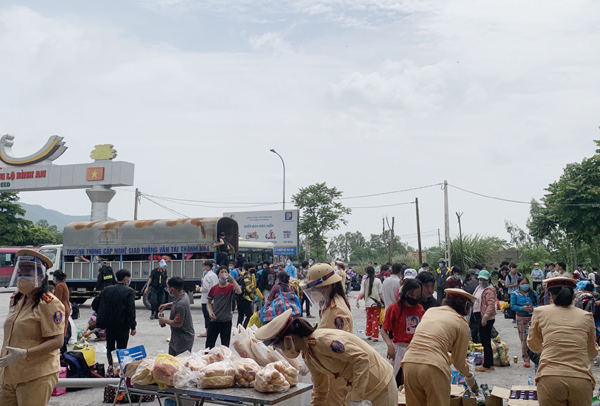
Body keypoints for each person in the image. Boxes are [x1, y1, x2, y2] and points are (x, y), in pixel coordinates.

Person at [255, 309, 396, 406]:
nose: (280, 350)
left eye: (278, 346)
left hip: (379, 383)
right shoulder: (308, 354)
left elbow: (362, 359)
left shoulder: (323, 341)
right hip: (358, 389)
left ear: (287, 340)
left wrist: (357, 399)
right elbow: (320, 390)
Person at [0, 250, 65, 406]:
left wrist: (26, 353)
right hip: (10, 373)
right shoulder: (17, 299)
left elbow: (57, 341)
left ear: (40, 276)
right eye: (20, 271)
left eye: (27, 272)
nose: (22, 276)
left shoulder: (50, 303)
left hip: (36, 374)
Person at [527, 277, 597, 406]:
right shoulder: (586, 316)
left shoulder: (540, 312)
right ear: (573, 295)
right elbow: (592, 351)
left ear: (550, 295)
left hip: (550, 377)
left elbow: (533, 345)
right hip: (581, 379)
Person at [402, 288, 477, 406]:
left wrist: (448, 356)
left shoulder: (431, 311)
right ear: (465, 306)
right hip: (433, 367)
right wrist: (469, 377)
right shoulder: (461, 322)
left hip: (409, 362)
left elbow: (430, 343)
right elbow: (459, 362)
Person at [300, 263, 354, 405]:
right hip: (329, 367)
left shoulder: (337, 311)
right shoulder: (329, 303)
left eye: (314, 288)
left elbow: (336, 345)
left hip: (337, 370)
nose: (312, 292)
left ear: (326, 286)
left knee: (334, 401)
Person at [382, 279, 425, 386]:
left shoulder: (420, 309)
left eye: (418, 295)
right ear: (405, 293)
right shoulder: (394, 308)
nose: (415, 298)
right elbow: (383, 330)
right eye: (412, 295)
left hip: (416, 350)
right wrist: (389, 345)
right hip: (398, 350)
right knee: (394, 383)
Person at [94, 269, 137, 366]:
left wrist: (102, 314)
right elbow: (131, 310)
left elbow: (95, 304)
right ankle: (119, 368)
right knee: (121, 347)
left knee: (110, 347)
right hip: (123, 325)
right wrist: (133, 326)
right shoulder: (129, 291)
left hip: (109, 324)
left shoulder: (107, 289)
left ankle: (111, 366)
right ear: (126, 278)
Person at [206, 266, 242, 349]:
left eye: (225, 272)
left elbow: (239, 291)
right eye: (221, 272)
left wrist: (232, 279)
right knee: (209, 345)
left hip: (226, 320)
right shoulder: (214, 288)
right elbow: (208, 303)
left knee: (225, 346)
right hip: (214, 319)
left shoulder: (230, 287)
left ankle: (224, 360)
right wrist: (209, 311)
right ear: (218, 275)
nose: (224, 274)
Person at [158, 277, 194, 356]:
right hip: (176, 337)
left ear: (172, 289)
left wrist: (164, 320)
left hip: (183, 339)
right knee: (171, 361)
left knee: (179, 364)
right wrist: (168, 304)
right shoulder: (183, 295)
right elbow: (175, 303)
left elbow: (178, 324)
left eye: (168, 287)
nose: (167, 289)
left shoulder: (181, 304)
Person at [471, 270, 497, 372]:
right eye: (480, 279)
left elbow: (491, 304)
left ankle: (486, 365)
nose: (482, 281)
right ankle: (489, 363)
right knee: (485, 340)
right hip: (479, 315)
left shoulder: (490, 290)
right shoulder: (479, 287)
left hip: (485, 317)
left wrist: (485, 317)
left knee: (485, 340)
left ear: (488, 279)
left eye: (484, 279)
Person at [511, 276, 539, 368]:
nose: (524, 285)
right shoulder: (515, 294)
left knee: (533, 337)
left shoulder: (534, 293)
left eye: (526, 283)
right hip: (521, 318)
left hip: (532, 317)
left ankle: (535, 357)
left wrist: (533, 308)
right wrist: (522, 308)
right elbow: (512, 306)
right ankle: (526, 358)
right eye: (522, 284)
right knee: (523, 339)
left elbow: (538, 305)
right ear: (519, 285)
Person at [357, 266, 384, 342]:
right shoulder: (378, 281)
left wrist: (357, 300)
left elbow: (362, 292)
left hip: (368, 304)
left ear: (367, 273)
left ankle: (369, 335)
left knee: (369, 319)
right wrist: (384, 301)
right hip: (376, 303)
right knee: (375, 319)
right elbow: (380, 293)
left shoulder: (364, 281)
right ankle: (375, 336)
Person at [52, 270, 71, 354]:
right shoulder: (63, 284)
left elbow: (57, 300)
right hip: (65, 308)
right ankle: (64, 349)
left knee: (61, 329)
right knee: (64, 328)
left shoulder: (59, 286)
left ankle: (63, 350)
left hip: (61, 309)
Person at [199, 260, 218, 338]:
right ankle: (213, 330)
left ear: (207, 267)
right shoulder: (214, 275)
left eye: (204, 266)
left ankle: (207, 331)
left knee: (207, 316)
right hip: (213, 298)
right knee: (212, 315)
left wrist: (200, 289)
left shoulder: (207, 276)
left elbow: (205, 288)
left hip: (206, 298)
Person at [235, 262, 256, 328]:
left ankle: (238, 329)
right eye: (252, 267)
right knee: (249, 315)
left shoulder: (241, 275)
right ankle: (244, 328)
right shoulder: (248, 276)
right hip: (246, 298)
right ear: (249, 268)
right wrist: (252, 296)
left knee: (240, 315)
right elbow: (248, 288)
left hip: (239, 297)